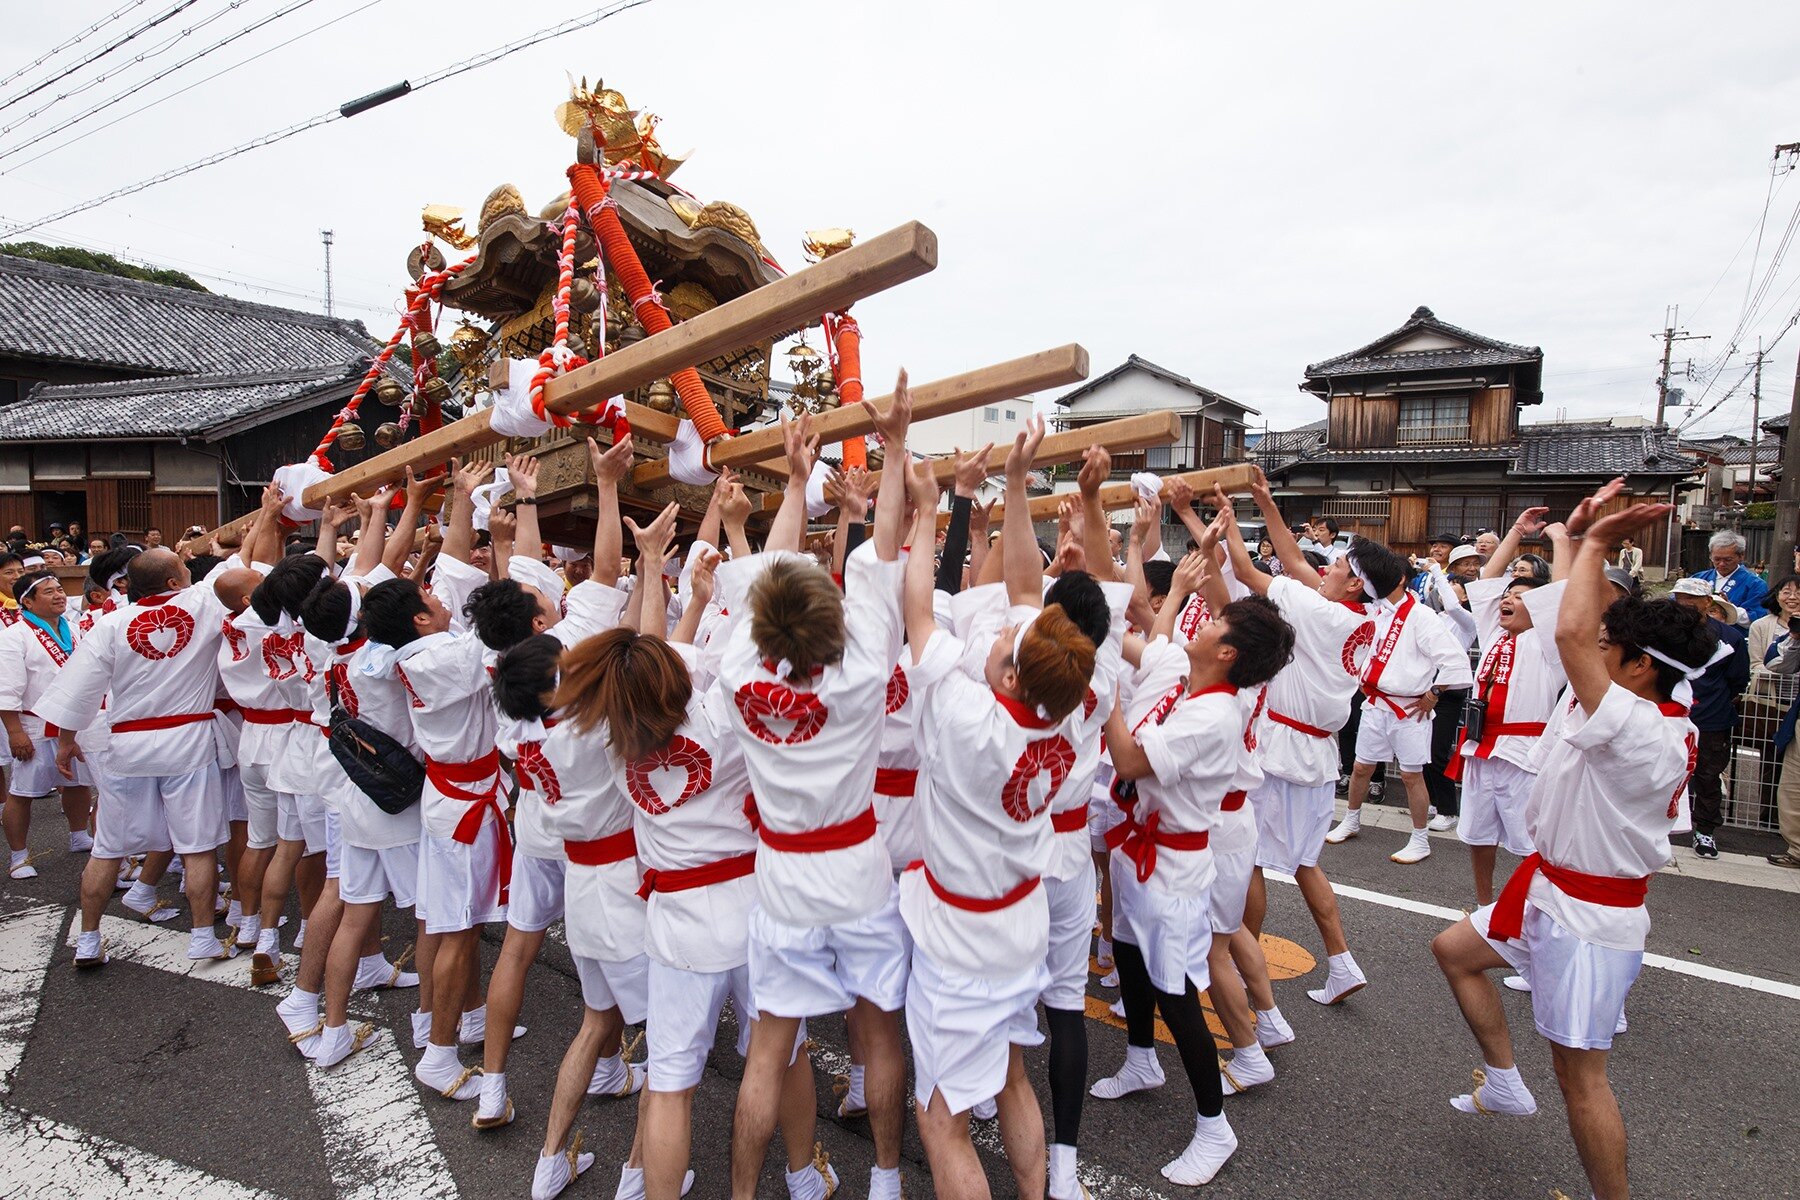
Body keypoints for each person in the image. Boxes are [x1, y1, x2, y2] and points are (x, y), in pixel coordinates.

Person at [1430, 490, 1715, 1200]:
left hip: (1589, 918)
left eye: (1608, 649)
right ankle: (1501, 1081)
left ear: (1640, 665)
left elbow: (1567, 635)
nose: (1593, 648)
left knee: (1581, 1081)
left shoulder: (1638, 726)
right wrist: (1576, 538)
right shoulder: (1629, 703)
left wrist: (1594, 544)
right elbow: (1571, 620)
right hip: (1547, 887)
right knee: (1454, 952)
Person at [718, 380, 912, 1200]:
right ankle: (889, 1176)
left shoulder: (735, 673)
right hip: (860, 870)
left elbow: (763, 574)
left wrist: (796, 485)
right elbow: (887, 555)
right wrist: (895, 446)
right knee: (877, 1033)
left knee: (771, 1048)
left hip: (785, 878)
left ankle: (742, 1193)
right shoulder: (865, 670)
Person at [1092, 586, 1295, 1186]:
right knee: (1126, 952)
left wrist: (1107, 695)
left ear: (1228, 652)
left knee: (1177, 995)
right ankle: (1139, 1061)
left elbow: (1128, 760)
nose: (1200, 627)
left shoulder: (1213, 713)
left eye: (1215, 625)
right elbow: (1143, 636)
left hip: (1174, 871)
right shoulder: (1197, 685)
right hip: (1142, 848)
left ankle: (1214, 1125)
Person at [39, 524, 270, 966]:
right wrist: (265, 516)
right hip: (187, 742)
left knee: (109, 847)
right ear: (173, 581)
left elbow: (78, 688)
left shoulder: (111, 623)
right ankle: (202, 936)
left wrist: (66, 741)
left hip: (128, 743)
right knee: (198, 844)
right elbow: (243, 564)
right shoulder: (202, 602)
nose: (188, 568)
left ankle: (88, 939)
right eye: (183, 565)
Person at [1229, 468, 1373, 1009]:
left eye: (1335, 563)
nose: (1325, 563)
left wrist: (1224, 519)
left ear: (1354, 582)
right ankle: (1341, 960)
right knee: (1307, 863)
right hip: (1318, 754)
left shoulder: (1317, 612)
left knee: (1253, 861)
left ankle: (1247, 969)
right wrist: (1267, 503)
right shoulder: (1362, 619)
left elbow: (1251, 567)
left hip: (1281, 750)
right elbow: (1294, 562)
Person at [1326, 538, 1474, 862]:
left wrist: (1434, 693)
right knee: (1362, 766)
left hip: (1408, 709)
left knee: (1410, 775)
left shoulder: (1422, 616)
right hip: (1376, 704)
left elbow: (1457, 663)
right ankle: (1350, 820)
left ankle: (1420, 839)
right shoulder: (1375, 611)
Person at [1452, 509, 1568, 904]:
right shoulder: (1492, 634)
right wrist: (1517, 530)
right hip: (1481, 749)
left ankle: (1529, 911)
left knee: (1529, 844)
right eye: (1507, 595)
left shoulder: (1549, 645)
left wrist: (1561, 541)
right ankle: (1484, 904)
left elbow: (1562, 595)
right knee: (1478, 836)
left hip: (1523, 756)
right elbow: (1486, 580)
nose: (1508, 600)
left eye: (1521, 597)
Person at [0, 568, 96, 877]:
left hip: (73, 721)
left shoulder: (74, 628)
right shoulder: (14, 636)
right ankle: (19, 856)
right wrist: (15, 732)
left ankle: (79, 833)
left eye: (59, 589)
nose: (58, 595)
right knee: (24, 791)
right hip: (34, 724)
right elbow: (6, 688)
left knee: (78, 782)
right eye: (49, 591)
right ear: (27, 602)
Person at [1667, 579, 1749, 859]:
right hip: (1668, 713)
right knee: (1659, 769)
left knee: (1707, 775)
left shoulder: (1731, 637)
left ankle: (1705, 831)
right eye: (1680, 598)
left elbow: (1738, 680)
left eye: (1691, 598)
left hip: (1711, 717)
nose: (1685, 603)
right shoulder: (1663, 631)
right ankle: (1656, 825)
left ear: (1708, 603)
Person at [1692, 531, 1765, 628]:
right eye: (1717, 559)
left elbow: (1757, 619)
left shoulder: (1755, 584)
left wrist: (1728, 607)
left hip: (1735, 637)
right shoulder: (1698, 578)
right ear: (1710, 556)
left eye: (1728, 560)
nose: (1721, 564)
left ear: (1741, 556)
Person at [1747, 575, 1800, 668]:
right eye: (1786, 592)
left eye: (1799, 593)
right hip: (1770, 681)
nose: (1792, 597)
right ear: (1777, 596)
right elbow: (1756, 664)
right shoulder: (1759, 626)